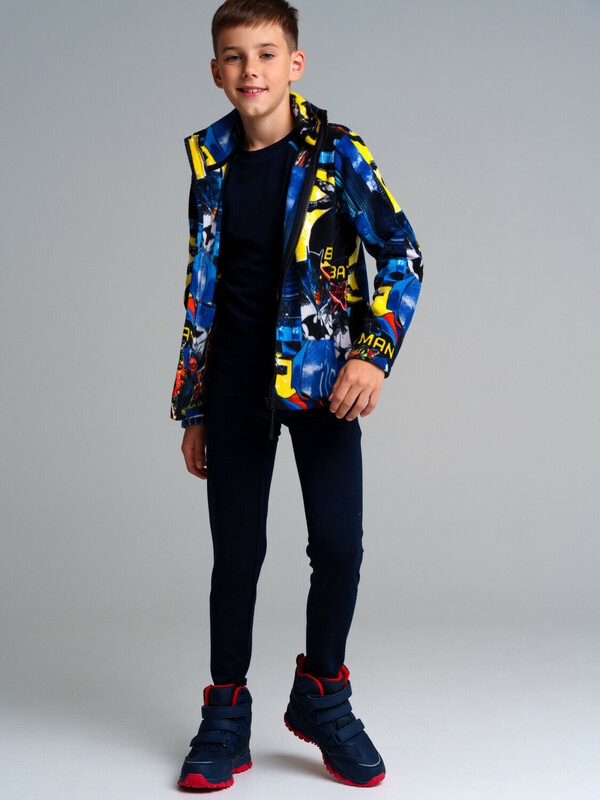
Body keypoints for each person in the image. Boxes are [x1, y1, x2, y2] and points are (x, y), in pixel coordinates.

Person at [170, 0, 423, 790]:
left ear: (295, 65)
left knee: (339, 548)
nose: (252, 70)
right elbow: (201, 292)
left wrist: (373, 356)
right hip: (232, 388)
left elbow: (403, 255)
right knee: (236, 555)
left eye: (267, 54)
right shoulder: (210, 164)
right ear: (217, 72)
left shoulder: (338, 153)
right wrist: (194, 405)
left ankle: (321, 694)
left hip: (324, 386)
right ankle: (225, 713)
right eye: (235, 57)